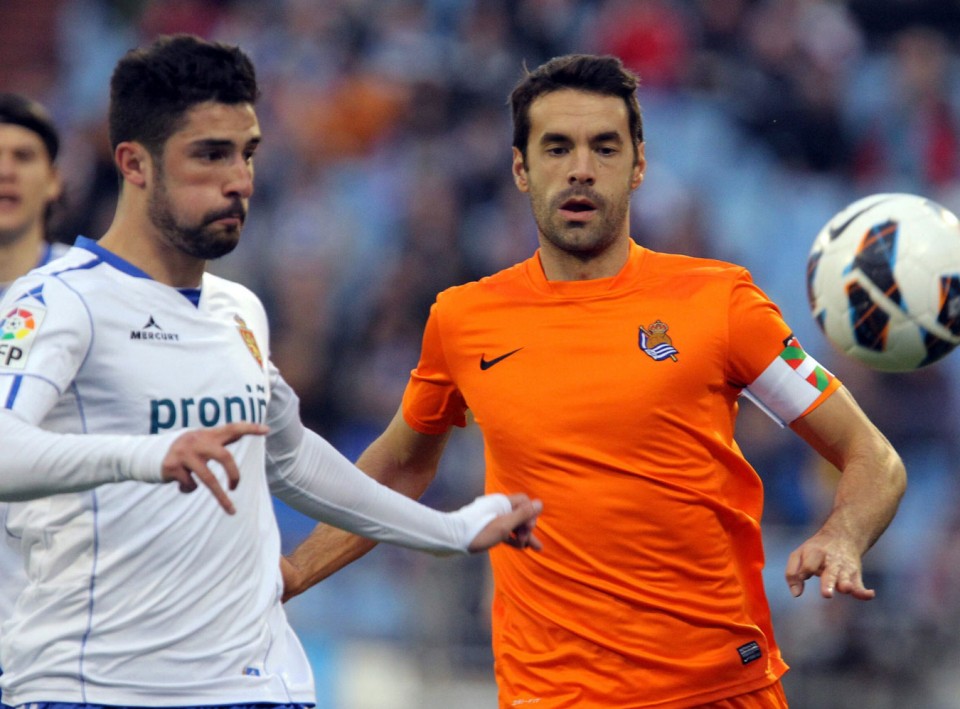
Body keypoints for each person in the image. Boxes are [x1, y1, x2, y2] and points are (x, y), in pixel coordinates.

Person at [281, 54, 907, 708]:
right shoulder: (464, 319)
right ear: (521, 169)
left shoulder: (721, 303)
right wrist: (293, 572)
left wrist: (844, 533)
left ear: (638, 165)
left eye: (604, 147)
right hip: (549, 695)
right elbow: (399, 471)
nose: (581, 167)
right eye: (557, 147)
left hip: (716, 691)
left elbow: (874, 457)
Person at [0, 34, 542, 708]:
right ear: (134, 164)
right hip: (101, 690)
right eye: (210, 155)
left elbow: (289, 458)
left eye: (248, 153)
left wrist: (451, 530)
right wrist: (149, 454)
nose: (240, 180)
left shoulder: (239, 310)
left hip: (259, 685)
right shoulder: (58, 300)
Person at [0, 92, 71, 704]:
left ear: (54, 182)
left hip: (63, 632)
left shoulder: (94, 297)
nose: (5, 171)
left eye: (23, 155)